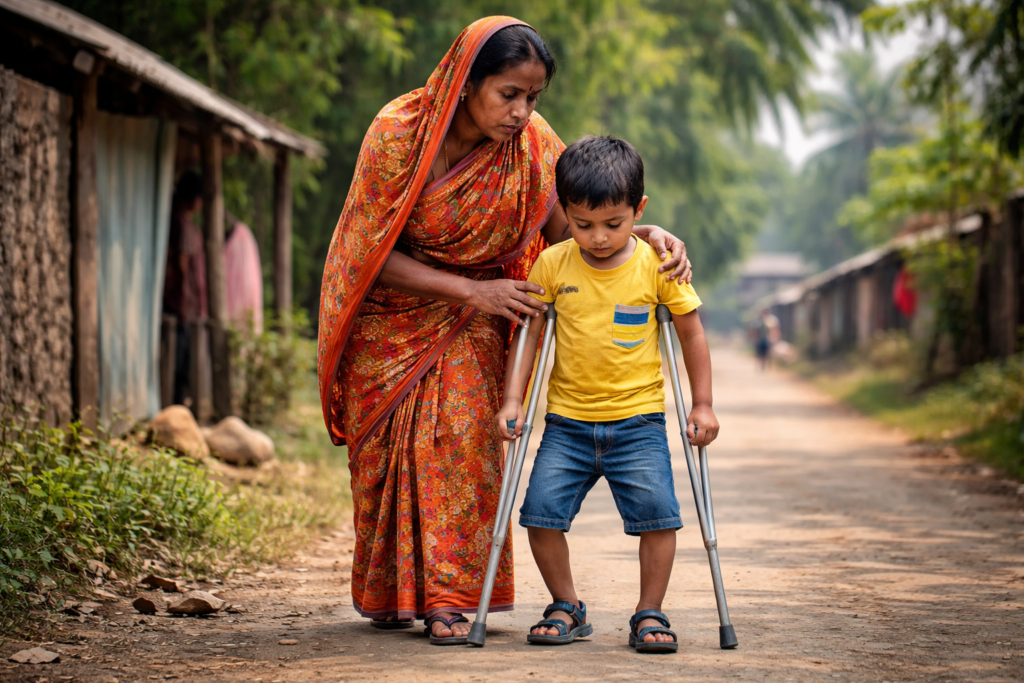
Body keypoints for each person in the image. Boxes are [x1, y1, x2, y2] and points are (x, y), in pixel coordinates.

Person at [317, 17, 693, 644]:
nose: (522, 112)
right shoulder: (397, 134)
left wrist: (643, 239)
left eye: (533, 98)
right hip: (392, 319)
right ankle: (398, 592)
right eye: (509, 95)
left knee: (461, 444)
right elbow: (366, 253)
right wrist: (470, 289)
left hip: (481, 321)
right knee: (385, 458)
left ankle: (449, 599)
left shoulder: (534, 146)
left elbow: (579, 229)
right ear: (466, 83)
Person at [495, 136, 719, 653]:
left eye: (613, 224)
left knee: (659, 517)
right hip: (566, 424)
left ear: (638, 211)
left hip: (637, 423)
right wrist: (513, 401)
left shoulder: (657, 265)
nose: (597, 237)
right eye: (582, 224)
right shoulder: (553, 265)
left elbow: (692, 333)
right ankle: (566, 605)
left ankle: (650, 612)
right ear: (566, 214)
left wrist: (702, 403)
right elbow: (530, 335)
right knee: (539, 514)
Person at [163, 171, 207, 405]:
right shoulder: (180, 224)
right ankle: (175, 406)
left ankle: (178, 405)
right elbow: (179, 265)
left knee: (182, 361)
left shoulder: (182, 223)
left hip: (183, 305)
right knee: (178, 362)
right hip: (179, 304)